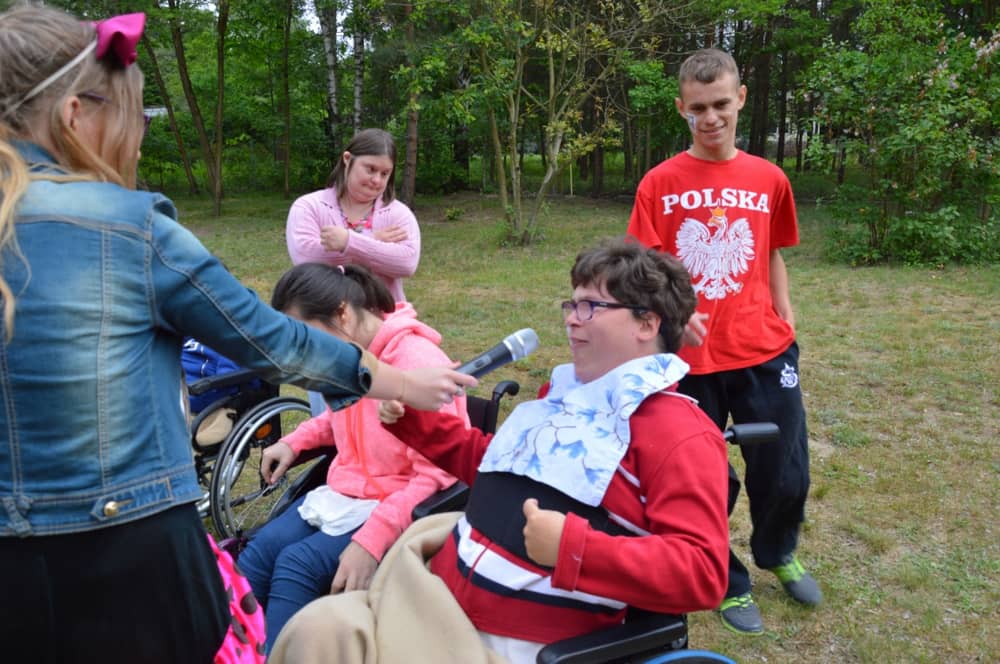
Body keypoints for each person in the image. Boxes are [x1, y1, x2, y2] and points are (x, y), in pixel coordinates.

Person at [0, 6, 474, 663]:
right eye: (130, 121)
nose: (134, 141)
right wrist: (394, 379)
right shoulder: (131, 229)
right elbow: (271, 341)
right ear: (75, 116)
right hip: (127, 557)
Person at [268, 239, 730, 664]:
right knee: (314, 629)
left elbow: (704, 573)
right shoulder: (561, 394)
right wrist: (414, 424)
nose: (571, 316)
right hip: (433, 591)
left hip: (505, 640)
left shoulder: (679, 433)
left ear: (647, 324)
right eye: (572, 303)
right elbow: (492, 466)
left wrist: (573, 548)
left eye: (590, 306)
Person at [626, 47, 821, 636]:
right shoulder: (660, 183)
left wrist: (785, 317)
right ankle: (727, 580)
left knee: (784, 467)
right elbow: (643, 271)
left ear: (739, 99)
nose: (710, 118)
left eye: (720, 105)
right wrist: (673, 319)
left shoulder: (769, 178)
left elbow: (772, 253)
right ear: (682, 108)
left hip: (764, 350)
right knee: (705, 477)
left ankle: (778, 550)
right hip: (690, 362)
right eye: (698, 108)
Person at [239, 263, 466, 652]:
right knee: (256, 557)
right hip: (345, 494)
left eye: (305, 335)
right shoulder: (344, 357)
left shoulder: (415, 362)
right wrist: (294, 442)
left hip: (396, 503)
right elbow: (338, 417)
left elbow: (438, 474)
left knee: (297, 566)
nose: (303, 352)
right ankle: (233, 651)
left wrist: (373, 539)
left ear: (342, 312)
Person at [286, 128, 419, 304]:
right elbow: (306, 259)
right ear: (347, 159)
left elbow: (406, 263)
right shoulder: (308, 206)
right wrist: (374, 240)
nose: (377, 180)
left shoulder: (399, 214)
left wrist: (348, 242)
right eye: (370, 169)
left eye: (385, 173)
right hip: (322, 318)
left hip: (383, 320)